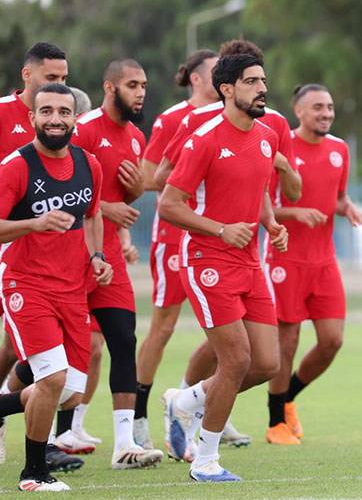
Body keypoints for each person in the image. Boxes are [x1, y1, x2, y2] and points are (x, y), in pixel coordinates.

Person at [154, 39, 300, 460]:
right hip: (206, 260)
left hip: (249, 261)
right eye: (251, 82)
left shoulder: (267, 135)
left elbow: (256, 190)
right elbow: (168, 204)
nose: (261, 89)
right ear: (226, 90)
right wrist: (220, 230)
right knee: (235, 360)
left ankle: (183, 402)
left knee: (266, 364)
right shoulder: (202, 139)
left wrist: (270, 222)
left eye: (263, 81)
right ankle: (206, 460)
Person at [0, 83, 112, 491]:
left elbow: (94, 214)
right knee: (51, 380)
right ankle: (33, 474)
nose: (55, 120)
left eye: (63, 112)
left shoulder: (89, 164)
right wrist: (33, 223)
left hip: (71, 289)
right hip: (24, 282)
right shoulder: (15, 167)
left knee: (66, 391)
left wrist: (98, 257)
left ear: (74, 118)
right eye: (46, 111)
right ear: (32, 117)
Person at [69, 59, 164, 468]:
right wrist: (109, 206)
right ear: (110, 87)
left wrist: (135, 190)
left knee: (124, 341)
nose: (140, 92)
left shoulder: (137, 137)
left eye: (143, 84)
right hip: (71, 254)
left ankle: (124, 445)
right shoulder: (85, 129)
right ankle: (54, 433)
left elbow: (123, 198)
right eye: (132, 84)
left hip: (109, 257)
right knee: (66, 353)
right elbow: (65, 191)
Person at [0, 42, 86, 473]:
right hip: (15, 256)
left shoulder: (72, 141)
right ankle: (39, 460)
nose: (59, 86)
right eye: (51, 78)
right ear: (27, 76)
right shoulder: (9, 134)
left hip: (59, 267)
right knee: (48, 370)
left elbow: (86, 204)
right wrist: (31, 222)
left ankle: (10, 410)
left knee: (65, 382)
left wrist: (101, 251)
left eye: (64, 79)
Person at [263, 84, 362, 445]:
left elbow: (336, 197)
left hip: (324, 261)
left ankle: (288, 396)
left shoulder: (340, 149)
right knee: (286, 341)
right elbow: (262, 206)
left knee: (332, 341)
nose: (326, 113)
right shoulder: (281, 149)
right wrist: (294, 211)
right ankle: (276, 422)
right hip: (284, 258)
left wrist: (347, 207)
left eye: (330, 107)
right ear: (299, 111)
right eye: (318, 107)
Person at [133, 49, 219, 451]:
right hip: (174, 235)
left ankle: (203, 409)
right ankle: (136, 418)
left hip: (217, 238)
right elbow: (151, 177)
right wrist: (191, 179)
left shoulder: (231, 119)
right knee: (163, 327)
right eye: (218, 71)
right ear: (198, 79)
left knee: (225, 332)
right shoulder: (174, 119)